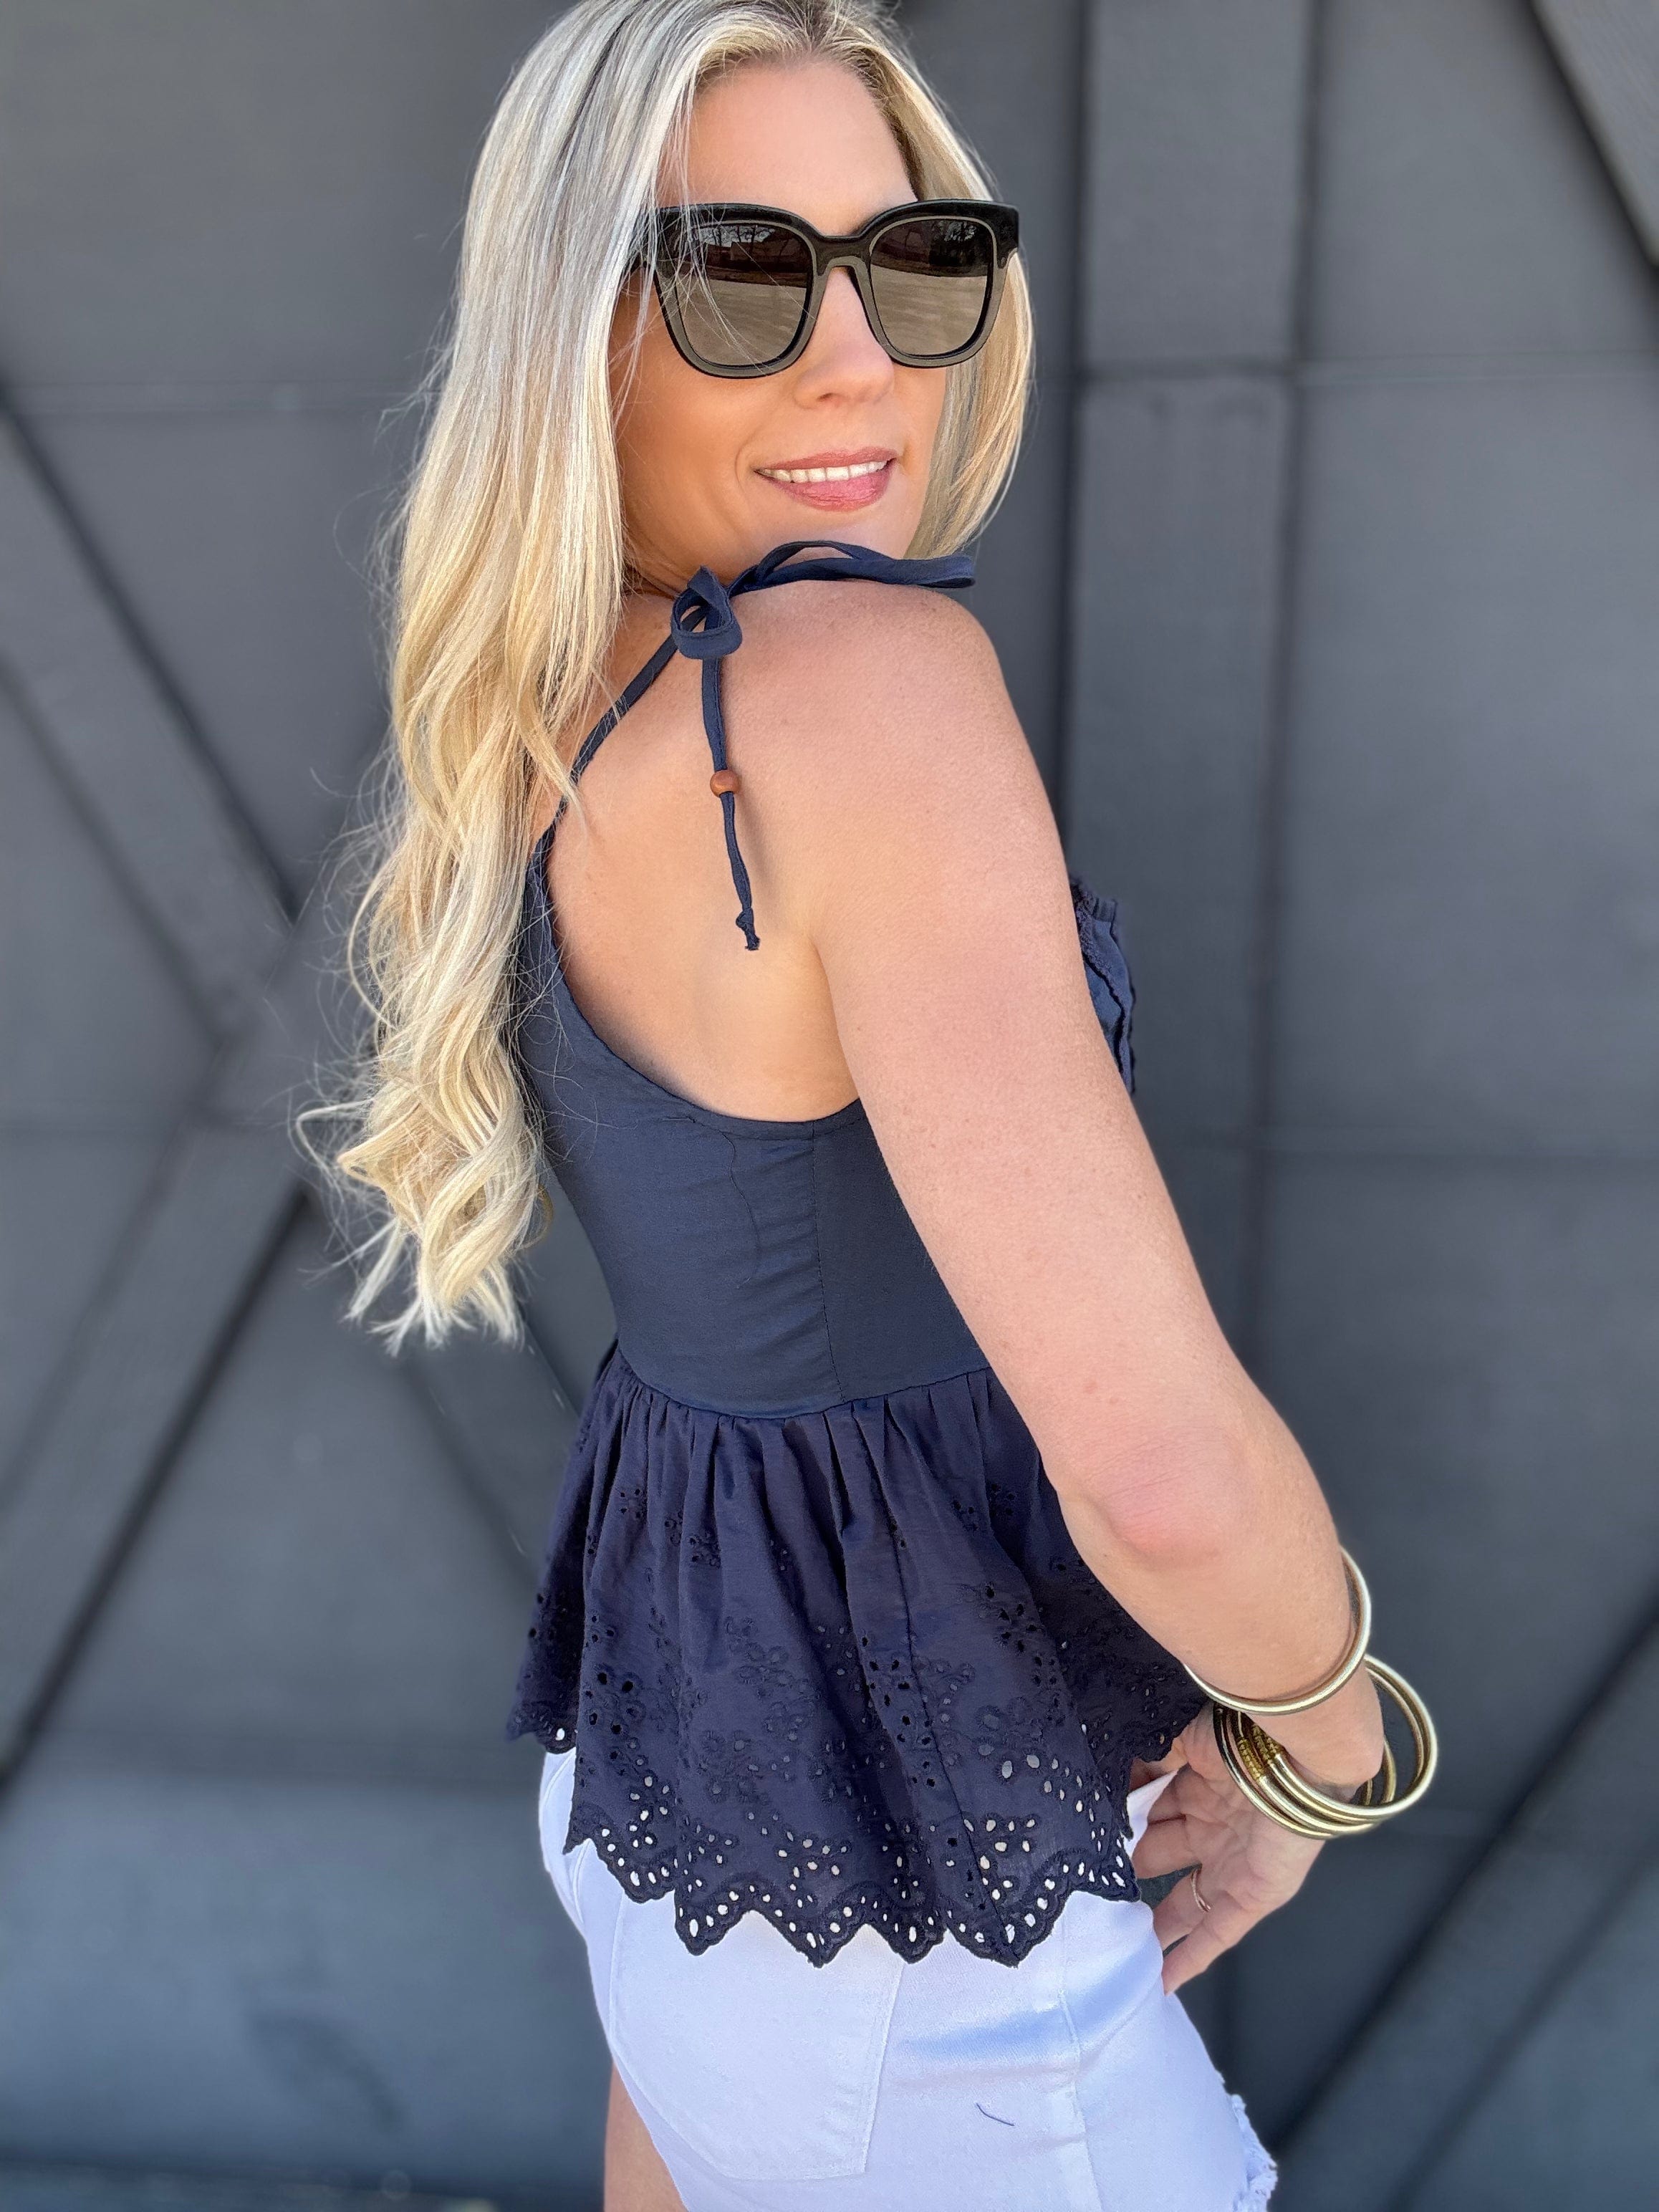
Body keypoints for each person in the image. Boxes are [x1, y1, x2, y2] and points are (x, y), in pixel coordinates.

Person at [316, 3, 1413, 2206]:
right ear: (571, 326)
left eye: (915, 264)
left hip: (696, 1816)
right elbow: (1155, 1472)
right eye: (741, 272)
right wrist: (1326, 1734)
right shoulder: (859, 684)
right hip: (918, 1922)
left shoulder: (566, 708)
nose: (856, 363)